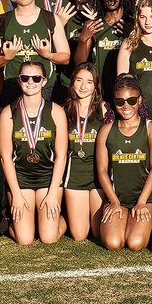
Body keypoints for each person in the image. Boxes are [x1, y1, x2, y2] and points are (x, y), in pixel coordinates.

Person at [0, 60, 67, 245]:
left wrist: (53, 192)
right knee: (25, 239)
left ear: (44, 81)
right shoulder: (8, 113)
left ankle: (62, 220)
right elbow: (6, 158)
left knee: (48, 238)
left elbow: (61, 155)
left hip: (47, 177)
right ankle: (10, 221)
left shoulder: (56, 111)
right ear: (19, 81)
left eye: (36, 78)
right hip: (21, 179)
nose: (31, 82)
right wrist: (16, 194)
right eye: (25, 78)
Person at [97, 75, 152, 252]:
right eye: (120, 101)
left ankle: (145, 224)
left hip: (144, 199)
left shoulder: (151, 128)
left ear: (139, 100)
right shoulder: (107, 130)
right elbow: (102, 170)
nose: (126, 106)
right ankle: (123, 217)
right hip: (117, 199)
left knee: (135, 243)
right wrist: (114, 202)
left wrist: (141, 202)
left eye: (131, 100)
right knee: (113, 243)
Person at [0, 0, 70, 100]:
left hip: (44, 88)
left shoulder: (50, 19)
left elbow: (65, 57)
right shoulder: (2, 21)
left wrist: (47, 54)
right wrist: (6, 57)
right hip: (13, 86)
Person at [62, 62, 106, 243]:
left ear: (96, 86)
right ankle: (60, 213)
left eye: (89, 82)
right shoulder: (63, 110)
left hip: (98, 177)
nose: (83, 86)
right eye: (79, 80)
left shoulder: (105, 109)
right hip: (74, 176)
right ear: (72, 82)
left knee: (98, 233)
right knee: (80, 235)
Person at [73, 0, 135, 96]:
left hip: (127, 92)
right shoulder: (93, 25)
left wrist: (132, 36)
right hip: (100, 93)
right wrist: (83, 39)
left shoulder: (133, 24)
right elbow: (80, 64)